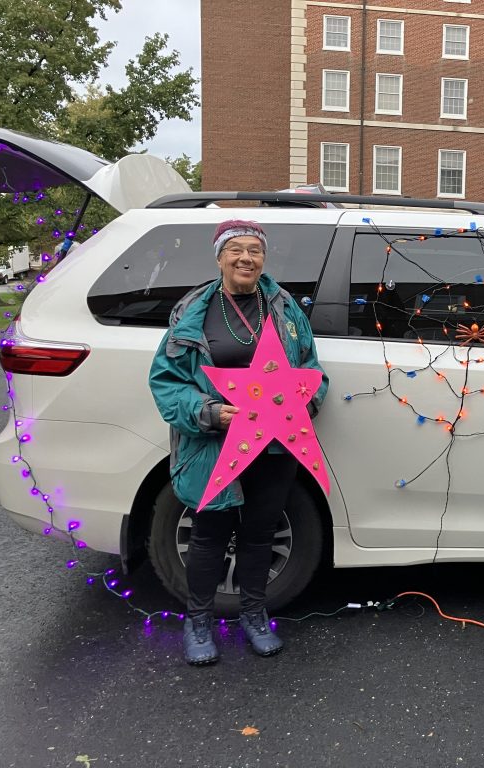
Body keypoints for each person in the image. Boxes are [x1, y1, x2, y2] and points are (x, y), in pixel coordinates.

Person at [149, 219, 329, 665]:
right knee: (209, 533)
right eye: (236, 250)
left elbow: (310, 367)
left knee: (260, 532)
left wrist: (306, 403)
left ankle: (254, 615)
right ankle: (198, 621)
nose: (246, 258)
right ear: (220, 257)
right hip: (215, 444)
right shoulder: (194, 312)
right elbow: (166, 380)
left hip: (275, 444)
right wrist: (208, 413)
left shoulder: (284, 307)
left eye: (255, 250)